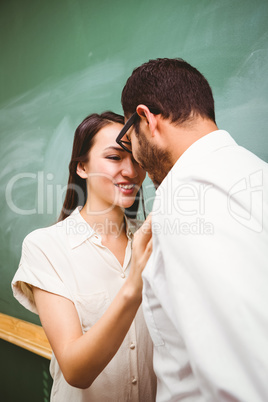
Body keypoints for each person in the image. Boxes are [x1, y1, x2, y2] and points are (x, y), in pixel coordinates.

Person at [116, 58, 268, 401]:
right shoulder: (255, 174)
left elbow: (245, 382)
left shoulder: (189, 202)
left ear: (146, 119)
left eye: (129, 138)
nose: (134, 160)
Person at [12, 112, 156, 402]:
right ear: (82, 168)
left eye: (137, 159)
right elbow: (76, 370)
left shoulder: (154, 238)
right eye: (115, 157)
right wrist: (135, 284)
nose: (131, 171)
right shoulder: (45, 247)